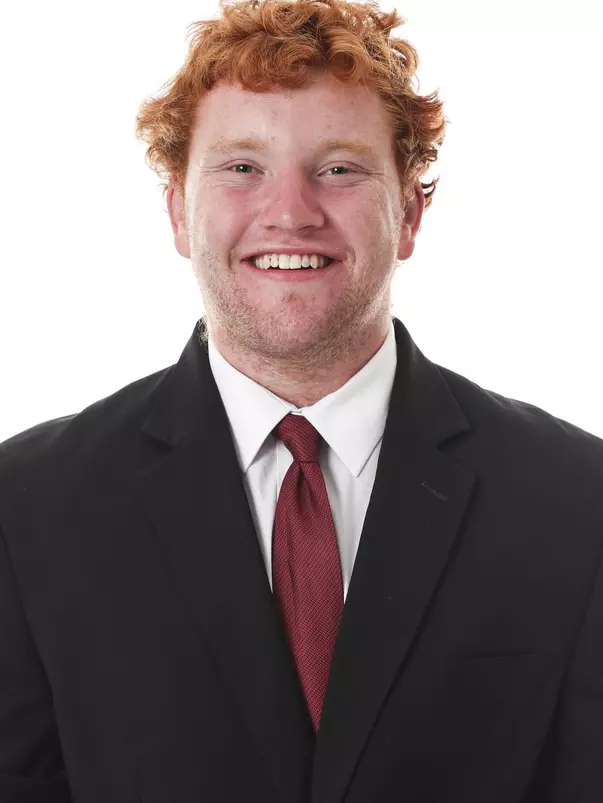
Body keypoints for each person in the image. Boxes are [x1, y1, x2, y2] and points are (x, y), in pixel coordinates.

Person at [1, 0, 602, 800]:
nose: (290, 210)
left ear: (411, 213)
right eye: (242, 167)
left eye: (339, 168)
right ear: (179, 211)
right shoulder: (28, 505)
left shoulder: (575, 499)